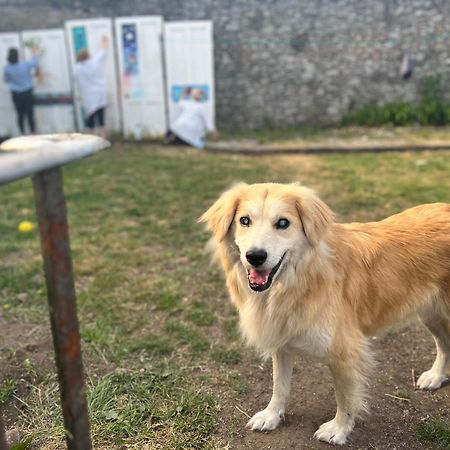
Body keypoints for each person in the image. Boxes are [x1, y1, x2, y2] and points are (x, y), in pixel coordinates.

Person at [74, 36, 108, 138]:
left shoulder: (77, 68)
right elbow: (103, 51)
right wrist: (104, 41)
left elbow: (77, 83)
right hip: (100, 94)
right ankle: (103, 139)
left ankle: (91, 140)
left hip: (88, 97)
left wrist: (79, 94)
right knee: (101, 119)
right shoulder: (94, 62)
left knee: (90, 120)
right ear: (88, 56)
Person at [3, 46, 40, 134]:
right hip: (27, 92)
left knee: (20, 114)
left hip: (16, 93)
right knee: (30, 113)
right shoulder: (24, 64)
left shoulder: (7, 68)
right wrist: (35, 53)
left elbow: (6, 80)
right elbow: (35, 62)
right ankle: (33, 132)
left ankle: (22, 133)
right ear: (17, 55)